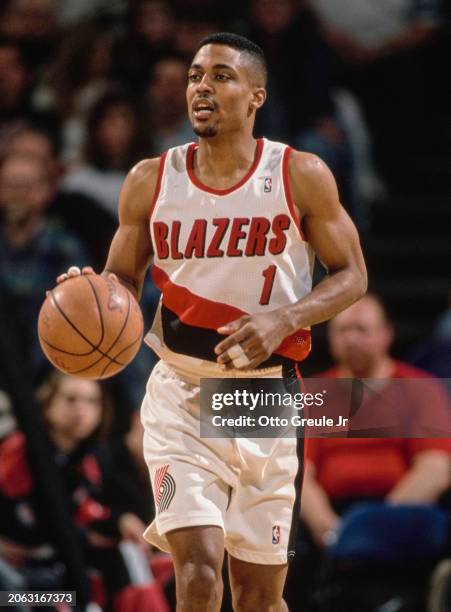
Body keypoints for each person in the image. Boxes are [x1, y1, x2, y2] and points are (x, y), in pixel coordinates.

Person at [56, 32, 367, 611]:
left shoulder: (300, 173)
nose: (202, 86)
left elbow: (352, 274)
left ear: (256, 96)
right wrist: (88, 295)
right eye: (197, 75)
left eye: (221, 75)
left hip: (265, 398)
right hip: (182, 390)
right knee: (197, 574)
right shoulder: (151, 179)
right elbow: (120, 281)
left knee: (259, 598)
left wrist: (285, 319)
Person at [299, 295, 451, 610]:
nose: (351, 338)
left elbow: (435, 468)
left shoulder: (419, 389)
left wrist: (372, 525)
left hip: (400, 512)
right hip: (327, 518)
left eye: (362, 329)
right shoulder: (311, 394)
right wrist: (329, 529)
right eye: (342, 331)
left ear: (386, 333)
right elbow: (299, 473)